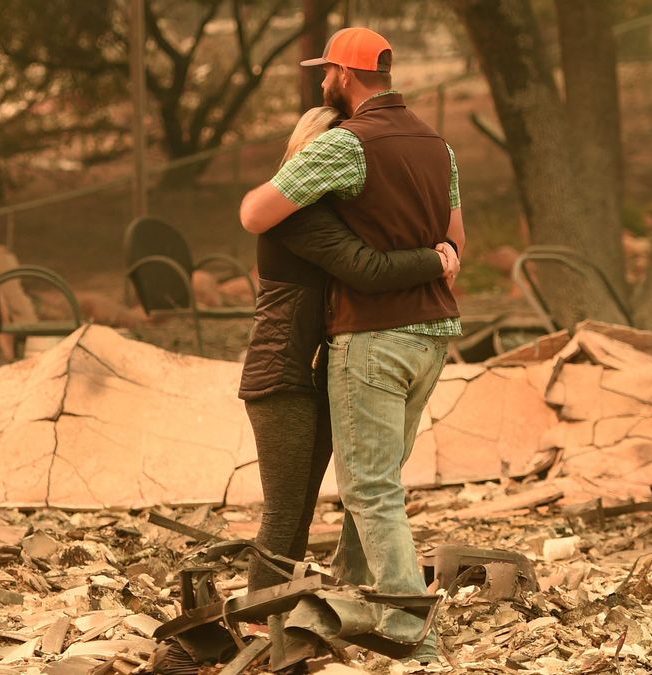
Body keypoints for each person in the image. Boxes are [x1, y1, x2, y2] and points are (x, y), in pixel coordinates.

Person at [239, 27, 463, 662]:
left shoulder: (347, 146)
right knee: (376, 481)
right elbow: (456, 242)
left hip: (373, 337)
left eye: (328, 69)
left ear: (347, 73)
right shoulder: (437, 145)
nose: (321, 79)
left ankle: (406, 623)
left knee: (367, 488)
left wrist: (297, 178)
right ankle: (347, 593)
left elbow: (257, 213)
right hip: (431, 335)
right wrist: (437, 257)